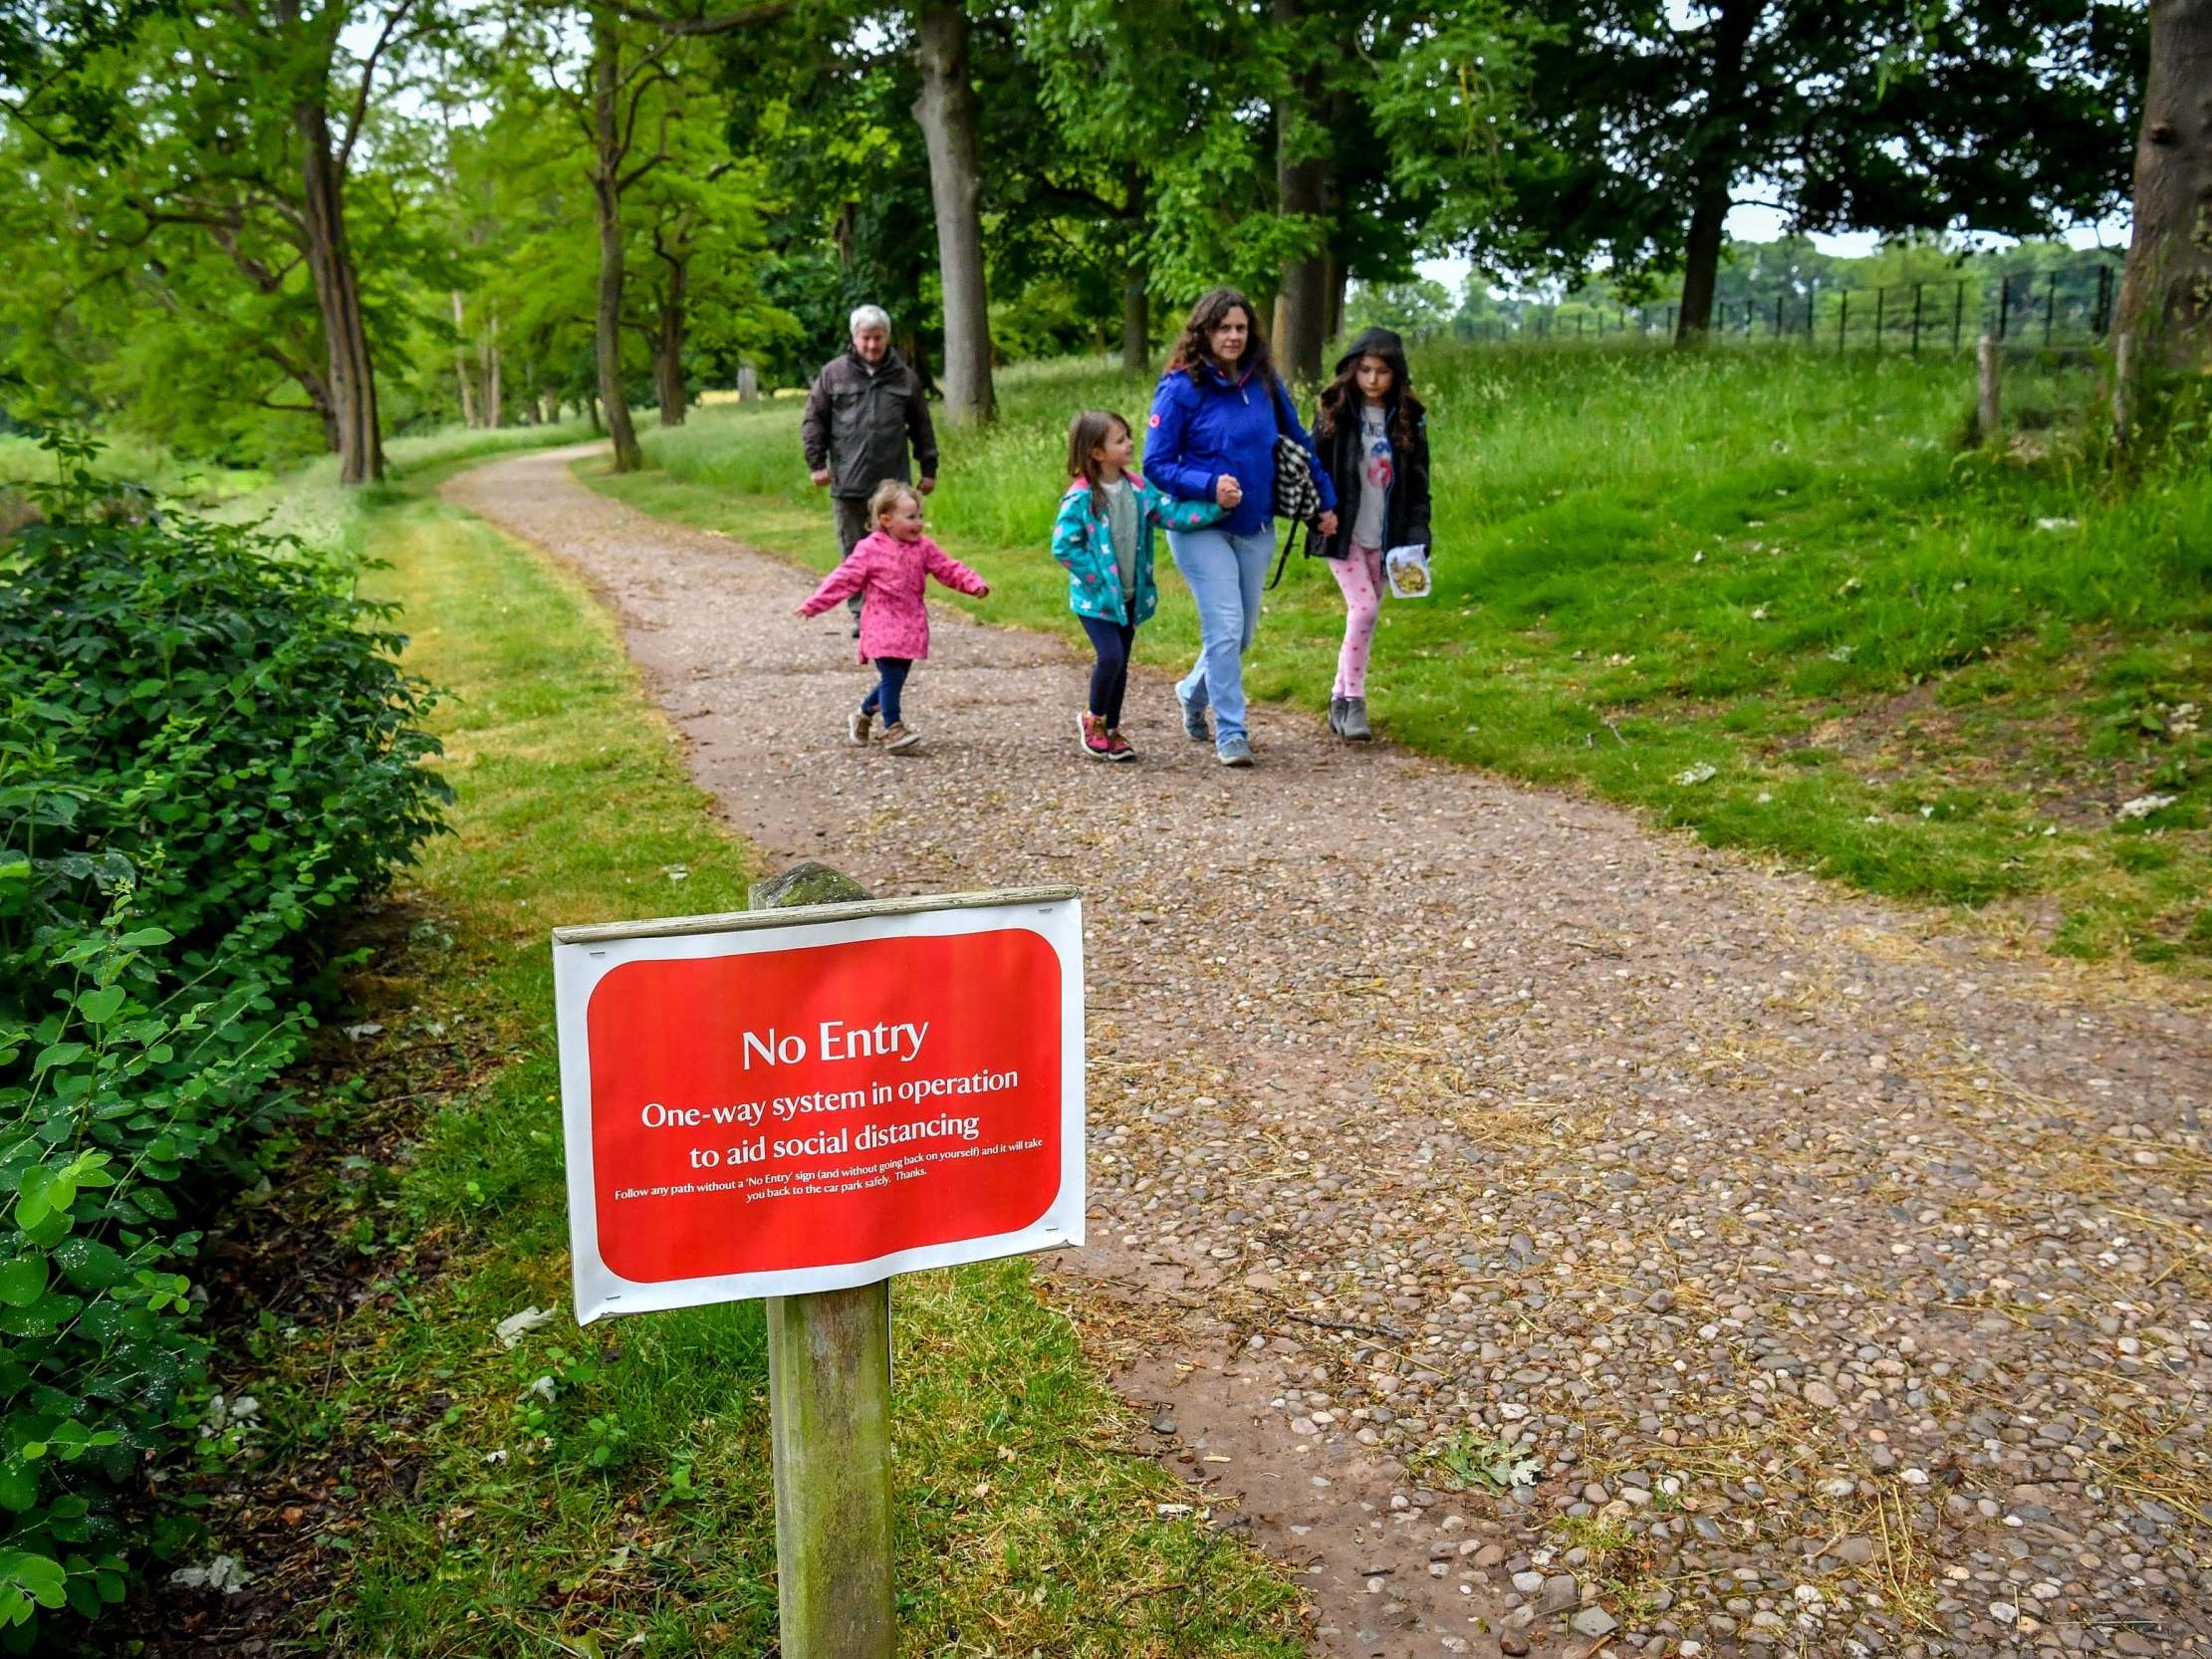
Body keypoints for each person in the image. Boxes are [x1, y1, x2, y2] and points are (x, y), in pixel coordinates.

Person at [1142, 288, 1337, 767]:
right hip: (1200, 525)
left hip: (1256, 524)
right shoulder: (1179, 388)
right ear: (1203, 332)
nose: (1232, 336)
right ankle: (1232, 732)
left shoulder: (1265, 383)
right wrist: (1209, 485)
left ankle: (1191, 691)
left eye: (1240, 328)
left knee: (1241, 635)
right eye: (1223, 327)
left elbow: (1299, 441)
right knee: (1225, 630)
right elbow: (1155, 464)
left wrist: (1325, 503)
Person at [1051, 409, 1227, 761]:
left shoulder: (1138, 488)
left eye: (1128, 435)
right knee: (1110, 657)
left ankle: (1113, 729)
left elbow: (1171, 514)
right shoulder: (1082, 497)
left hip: (1131, 596)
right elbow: (1064, 545)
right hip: (1097, 600)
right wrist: (1097, 579)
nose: (1130, 443)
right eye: (1120, 440)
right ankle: (1093, 719)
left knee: (1122, 663)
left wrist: (1217, 508)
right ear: (1097, 453)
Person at [795, 479, 987, 753]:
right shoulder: (870, 549)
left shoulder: (923, 548)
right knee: (892, 677)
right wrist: (814, 604)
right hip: (880, 624)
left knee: (895, 678)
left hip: (911, 625)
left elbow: (948, 568)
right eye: (910, 517)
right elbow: (843, 578)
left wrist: (973, 584)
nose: (918, 522)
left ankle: (862, 714)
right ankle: (893, 728)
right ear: (886, 519)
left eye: (920, 516)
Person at [1309, 326, 1432, 741]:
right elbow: (1313, 471)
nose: (1373, 380)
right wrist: (1317, 514)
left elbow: (1418, 486)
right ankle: (1355, 700)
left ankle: (1338, 698)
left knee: (1362, 620)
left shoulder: (1410, 420)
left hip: (1389, 537)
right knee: (1363, 611)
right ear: (1351, 370)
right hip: (1343, 534)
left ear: (1396, 373)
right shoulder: (1334, 412)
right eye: (1365, 370)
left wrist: (1418, 535)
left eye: (1382, 371)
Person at [800, 305, 938, 635]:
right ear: (854, 338)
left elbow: (922, 425)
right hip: (849, 480)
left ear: (887, 338)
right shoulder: (833, 374)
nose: (872, 345)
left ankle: (896, 611)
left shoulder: (905, 378)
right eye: (866, 338)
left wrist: (928, 467)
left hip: (893, 486)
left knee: (898, 552)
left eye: (878, 338)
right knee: (854, 553)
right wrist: (817, 463)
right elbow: (813, 421)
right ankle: (861, 614)